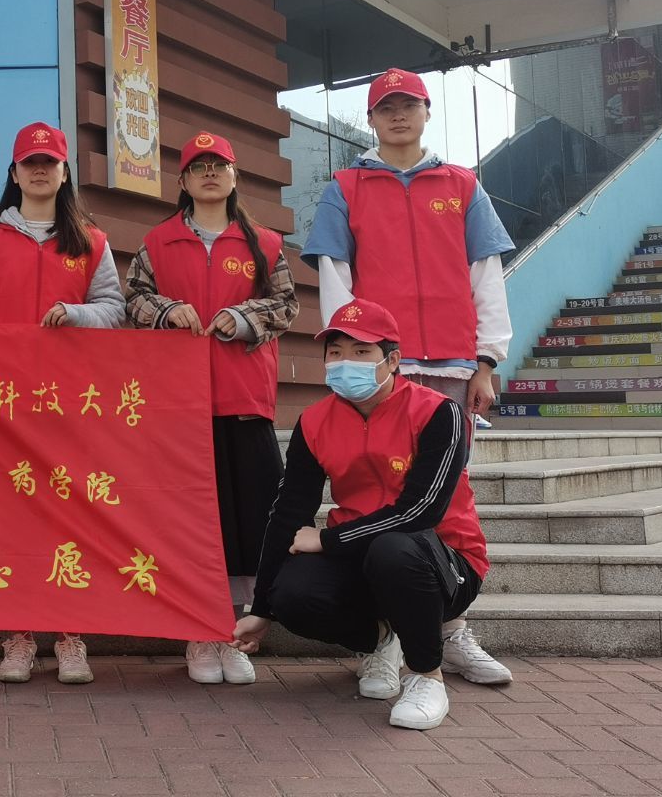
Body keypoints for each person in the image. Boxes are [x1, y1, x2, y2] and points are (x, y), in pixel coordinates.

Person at [300, 67, 514, 684]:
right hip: (381, 366)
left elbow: (486, 272)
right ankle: (388, 637)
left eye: (409, 105)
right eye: (386, 107)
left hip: (451, 363)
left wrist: (486, 360)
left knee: (446, 494)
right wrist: (349, 356)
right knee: (374, 489)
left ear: (426, 112)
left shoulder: (462, 184)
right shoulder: (346, 186)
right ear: (370, 118)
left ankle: (450, 630)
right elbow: (335, 275)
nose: (398, 115)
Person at [232, 299, 490, 731]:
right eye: (335, 352)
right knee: (292, 594)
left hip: (443, 560)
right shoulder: (315, 422)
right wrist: (263, 607)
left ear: (392, 360)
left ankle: (426, 677)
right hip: (362, 557)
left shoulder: (438, 412)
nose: (344, 362)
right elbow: (289, 512)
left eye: (361, 351)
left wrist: (328, 540)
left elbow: (421, 511)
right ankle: (381, 640)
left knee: (395, 548)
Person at [124, 132, 298, 686]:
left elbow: (287, 305)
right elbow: (131, 299)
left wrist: (244, 317)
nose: (209, 173)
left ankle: (235, 633)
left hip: (243, 400)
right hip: (178, 404)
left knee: (247, 523)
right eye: (197, 166)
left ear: (234, 176)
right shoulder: (158, 242)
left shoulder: (263, 243)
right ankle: (198, 633)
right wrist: (165, 310)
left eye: (218, 165)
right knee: (192, 523)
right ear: (182, 180)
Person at [0, 121, 124, 684]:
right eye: (30, 162)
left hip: (69, 406)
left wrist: (76, 314)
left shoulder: (91, 240)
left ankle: (71, 635)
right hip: (3, 407)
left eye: (49, 162)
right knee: (9, 524)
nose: (39, 170)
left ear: (64, 171)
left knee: (69, 519)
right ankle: (19, 636)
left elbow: (115, 309)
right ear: (14, 172)